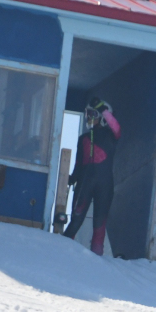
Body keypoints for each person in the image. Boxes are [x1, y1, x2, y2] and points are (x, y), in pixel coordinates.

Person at [63, 96, 120, 256]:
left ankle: (96, 259)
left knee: (99, 223)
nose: (89, 118)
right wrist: (73, 178)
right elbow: (78, 162)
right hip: (84, 182)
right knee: (76, 220)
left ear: (102, 117)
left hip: (105, 184)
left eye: (93, 114)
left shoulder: (111, 135)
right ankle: (62, 249)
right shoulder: (83, 138)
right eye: (87, 114)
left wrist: (103, 110)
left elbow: (116, 127)